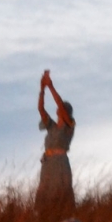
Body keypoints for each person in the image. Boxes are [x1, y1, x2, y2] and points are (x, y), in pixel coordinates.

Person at [36, 71, 76, 213]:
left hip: (60, 161)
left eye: (63, 108)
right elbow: (41, 109)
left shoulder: (70, 125)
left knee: (61, 190)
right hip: (48, 162)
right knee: (45, 190)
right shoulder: (52, 126)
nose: (59, 108)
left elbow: (59, 103)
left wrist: (51, 86)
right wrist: (42, 89)